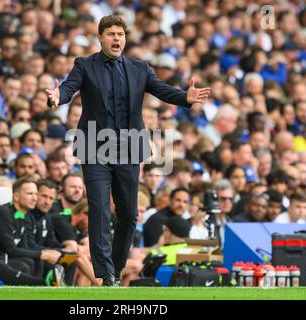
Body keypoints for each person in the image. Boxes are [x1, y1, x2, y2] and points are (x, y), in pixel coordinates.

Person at [46, 15, 210, 286]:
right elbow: (68, 89)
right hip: (93, 148)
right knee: (98, 208)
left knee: (129, 214)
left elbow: (162, 90)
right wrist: (56, 98)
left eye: (120, 34)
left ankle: (117, 265)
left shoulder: (139, 68)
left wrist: (184, 97)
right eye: (110, 34)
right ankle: (106, 272)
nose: (116, 39)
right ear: (100, 37)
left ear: (125, 38)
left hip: (129, 149)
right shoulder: (85, 65)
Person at [0, 175, 65, 284]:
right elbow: (11, 249)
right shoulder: (4, 213)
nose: (35, 198)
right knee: (26, 264)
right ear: (16, 197)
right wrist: (44, 254)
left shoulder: (24, 215)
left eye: (36, 194)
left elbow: (25, 247)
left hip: (4, 259)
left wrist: (48, 252)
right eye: (30, 194)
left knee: (36, 261)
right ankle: (41, 286)